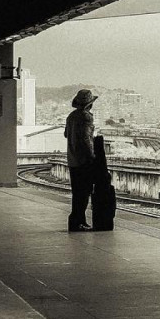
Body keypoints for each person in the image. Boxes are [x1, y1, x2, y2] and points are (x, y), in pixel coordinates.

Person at [64, 89, 98, 231]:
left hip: (73, 159)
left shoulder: (71, 116)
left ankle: (78, 220)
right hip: (83, 161)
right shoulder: (86, 117)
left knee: (77, 192)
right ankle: (78, 222)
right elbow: (86, 140)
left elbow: (66, 134)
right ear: (89, 104)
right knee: (84, 193)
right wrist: (92, 158)